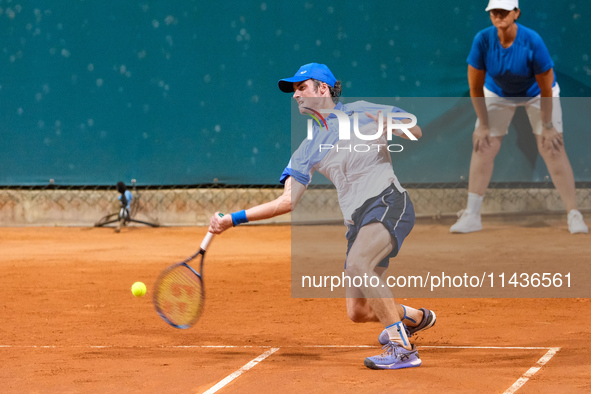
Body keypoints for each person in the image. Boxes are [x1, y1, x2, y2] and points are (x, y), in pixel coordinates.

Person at [209, 63, 436, 370]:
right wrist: (232, 219)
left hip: (388, 202)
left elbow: (417, 131)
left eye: (301, 87)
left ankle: (402, 348)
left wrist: (392, 125)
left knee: (359, 264)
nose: (295, 95)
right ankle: (416, 318)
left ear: (323, 89)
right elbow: (287, 201)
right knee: (358, 311)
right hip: (358, 222)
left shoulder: (362, 112)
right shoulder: (307, 149)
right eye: (294, 90)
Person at [450, 0, 588, 234]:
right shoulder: (482, 40)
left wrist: (547, 125)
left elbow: (545, 89)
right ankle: (472, 215)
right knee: (483, 145)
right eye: (494, 11)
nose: (499, 15)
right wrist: (483, 125)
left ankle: (574, 214)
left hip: (537, 93)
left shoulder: (532, 41)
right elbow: (475, 88)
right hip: (498, 93)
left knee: (552, 146)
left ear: (516, 13)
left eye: (504, 11)